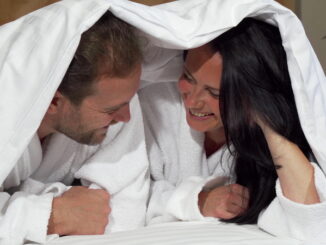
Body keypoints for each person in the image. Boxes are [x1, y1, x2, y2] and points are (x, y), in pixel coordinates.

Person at [140, 17, 326, 241]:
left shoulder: (266, 133)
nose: (194, 102)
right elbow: (126, 197)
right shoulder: (156, 102)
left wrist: (268, 125)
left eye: (215, 93)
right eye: (188, 77)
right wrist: (199, 201)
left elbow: (311, 224)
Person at [0, 8, 148, 245]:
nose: (126, 117)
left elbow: (124, 208)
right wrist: (51, 215)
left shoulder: (115, 97)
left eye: (128, 102)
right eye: (110, 111)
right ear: (53, 101)